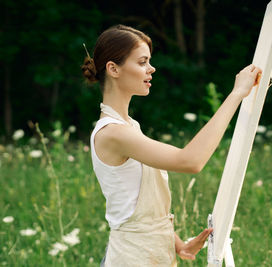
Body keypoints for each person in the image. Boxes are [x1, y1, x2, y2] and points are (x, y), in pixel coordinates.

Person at [81, 24, 261, 266]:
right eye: (142, 62)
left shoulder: (130, 126)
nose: (151, 68)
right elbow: (190, 161)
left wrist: (180, 246)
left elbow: (136, 210)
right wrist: (236, 94)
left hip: (152, 256)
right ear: (113, 69)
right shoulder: (113, 133)